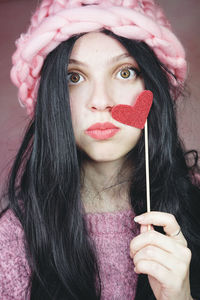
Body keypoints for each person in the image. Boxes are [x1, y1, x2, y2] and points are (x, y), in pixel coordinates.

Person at [0, 0, 200, 299]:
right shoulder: (12, 240)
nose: (101, 101)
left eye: (124, 72)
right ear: (50, 99)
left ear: (153, 86)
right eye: (74, 77)